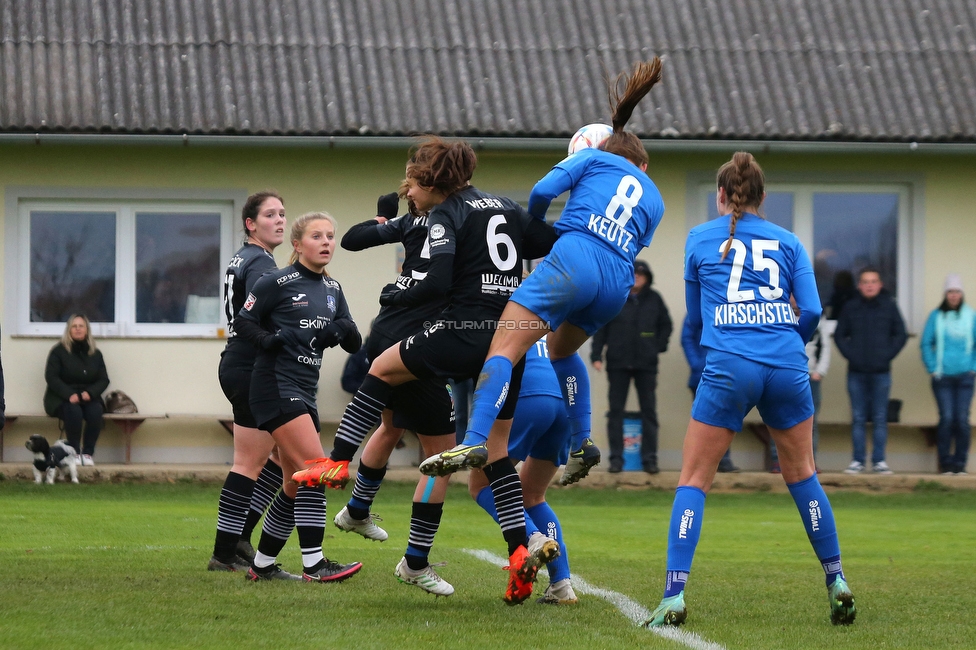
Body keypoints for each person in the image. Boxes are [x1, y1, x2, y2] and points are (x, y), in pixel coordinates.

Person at [292, 136, 559, 604]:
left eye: (414, 181)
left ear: (433, 181)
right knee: (494, 454)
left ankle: (338, 463)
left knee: (381, 367)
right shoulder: (509, 209)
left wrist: (398, 291)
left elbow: (436, 280)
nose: (409, 191)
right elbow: (550, 242)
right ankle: (518, 553)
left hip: (461, 329)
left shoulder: (445, 212)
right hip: (508, 337)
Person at [421, 59, 666, 493]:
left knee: (505, 342)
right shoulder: (656, 197)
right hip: (616, 283)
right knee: (559, 349)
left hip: (576, 259)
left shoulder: (592, 158)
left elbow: (540, 193)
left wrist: (532, 226)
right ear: (641, 163)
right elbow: (630, 241)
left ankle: (474, 441)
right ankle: (583, 440)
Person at [646, 152, 855, 628]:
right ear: (763, 198)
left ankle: (674, 594)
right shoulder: (788, 241)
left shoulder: (699, 238)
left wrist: (715, 361)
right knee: (802, 475)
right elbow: (813, 311)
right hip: (785, 363)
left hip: (730, 363)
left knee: (694, 480)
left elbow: (696, 322)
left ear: (721, 196)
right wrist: (782, 343)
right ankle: (837, 579)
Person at [306, 189, 459, 596]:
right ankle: (416, 562)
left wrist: (380, 217)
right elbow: (445, 280)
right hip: (414, 341)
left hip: (385, 329)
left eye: (412, 184)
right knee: (442, 455)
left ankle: (356, 510)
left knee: (390, 427)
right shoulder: (457, 219)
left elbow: (353, 239)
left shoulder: (409, 223)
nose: (408, 191)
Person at [235, 211, 364, 583]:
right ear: (297, 244)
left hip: (304, 389)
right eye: (316, 236)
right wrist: (267, 340)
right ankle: (315, 564)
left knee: (294, 482)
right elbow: (243, 322)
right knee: (316, 470)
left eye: (330, 236)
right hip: (274, 385)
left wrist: (340, 327)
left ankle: (261, 567)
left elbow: (354, 342)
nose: (326, 242)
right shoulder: (276, 281)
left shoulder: (333, 289)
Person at [209, 191, 287, 572]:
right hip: (252, 364)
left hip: (240, 361)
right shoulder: (260, 263)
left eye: (283, 214)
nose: (280, 220)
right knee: (248, 463)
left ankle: (239, 538)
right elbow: (256, 316)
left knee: (277, 458)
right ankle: (225, 553)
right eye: (270, 214)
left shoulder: (246, 257)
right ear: (250, 224)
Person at [469, 338, 577, 604]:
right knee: (533, 496)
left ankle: (534, 538)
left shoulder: (494, 314)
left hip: (526, 398)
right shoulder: (536, 316)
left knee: (481, 485)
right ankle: (561, 585)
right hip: (563, 403)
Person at [590, 260, 672, 474]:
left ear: (647, 278)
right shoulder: (616, 298)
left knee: (649, 412)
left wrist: (657, 347)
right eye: (633, 273)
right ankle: (616, 460)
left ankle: (650, 460)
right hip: (617, 363)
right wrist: (596, 355)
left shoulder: (655, 299)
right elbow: (601, 328)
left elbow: (666, 325)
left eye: (641, 274)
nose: (637, 277)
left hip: (646, 364)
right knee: (615, 412)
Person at [834, 266, 907, 475]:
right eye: (865, 282)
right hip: (856, 372)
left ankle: (879, 461)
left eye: (873, 281)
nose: (869, 285)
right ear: (859, 285)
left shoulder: (889, 306)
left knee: (880, 417)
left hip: (881, 372)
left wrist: (886, 355)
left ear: (880, 284)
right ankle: (857, 461)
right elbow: (839, 335)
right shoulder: (850, 306)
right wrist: (851, 355)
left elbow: (900, 335)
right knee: (857, 417)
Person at [768, 304, 835, 473]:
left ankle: (809, 462)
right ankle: (778, 461)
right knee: (777, 417)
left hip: (810, 376)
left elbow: (825, 346)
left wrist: (819, 371)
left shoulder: (817, 316)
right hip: (782, 375)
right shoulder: (776, 312)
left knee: (810, 422)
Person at [920, 273, 975, 475]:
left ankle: (960, 464)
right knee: (947, 418)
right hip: (942, 377)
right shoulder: (936, 316)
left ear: (962, 294)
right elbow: (926, 343)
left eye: (957, 292)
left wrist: (973, 367)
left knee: (962, 419)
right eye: (950, 292)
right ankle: (945, 464)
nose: (954, 295)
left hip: (965, 377)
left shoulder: (971, 316)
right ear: (945, 294)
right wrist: (933, 368)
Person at [43, 314, 110, 466]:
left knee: (95, 411)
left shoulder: (95, 354)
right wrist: (69, 394)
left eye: (81, 326)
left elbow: (104, 379)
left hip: (88, 397)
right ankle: (73, 452)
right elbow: (51, 377)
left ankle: (87, 453)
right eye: (74, 326)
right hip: (61, 398)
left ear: (87, 330)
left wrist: (90, 393)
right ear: (69, 330)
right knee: (74, 411)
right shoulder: (58, 352)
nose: (78, 329)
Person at [681, 315, 739, 473]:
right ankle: (698, 463)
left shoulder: (732, 310)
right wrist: (697, 364)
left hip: (727, 375)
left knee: (725, 418)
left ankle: (723, 461)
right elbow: (686, 338)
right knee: (701, 421)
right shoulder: (697, 310)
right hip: (701, 377)